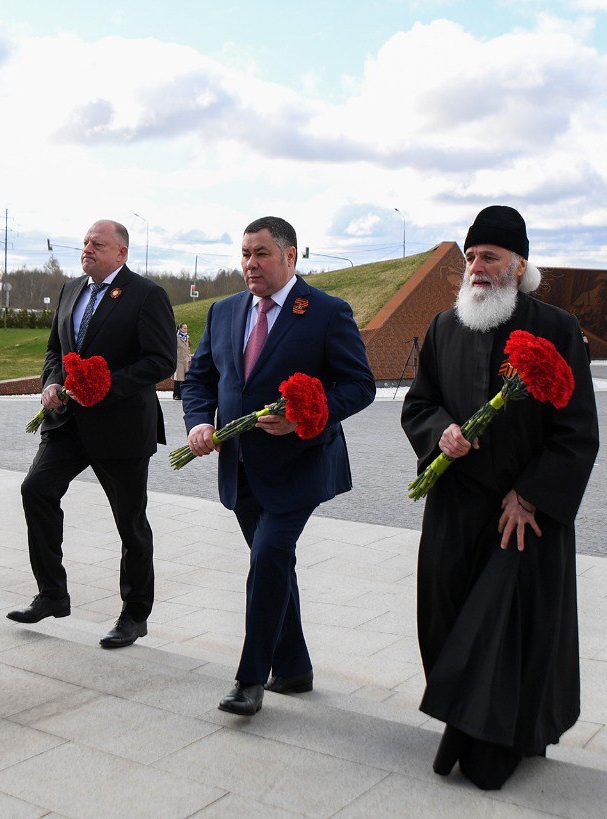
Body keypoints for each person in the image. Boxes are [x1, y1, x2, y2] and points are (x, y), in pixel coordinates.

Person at [401, 205, 598, 790]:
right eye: (470, 258)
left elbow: (577, 431)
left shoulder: (556, 329)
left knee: (504, 629)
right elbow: (418, 404)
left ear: (519, 263)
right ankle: (466, 727)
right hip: (456, 506)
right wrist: (441, 432)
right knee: (446, 619)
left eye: (489, 256)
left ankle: (497, 741)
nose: (476, 267)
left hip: (522, 518)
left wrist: (532, 497)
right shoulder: (444, 326)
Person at [182, 216, 375, 717]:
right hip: (240, 466)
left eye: (262, 253)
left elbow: (359, 385)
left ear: (291, 256)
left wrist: (306, 418)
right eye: (245, 253)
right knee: (275, 565)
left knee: (267, 558)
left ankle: (251, 680)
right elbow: (200, 379)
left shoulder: (327, 312)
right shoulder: (224, 312)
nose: (250, 264)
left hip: (301, 465)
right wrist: (199, 423)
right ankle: (294, 666)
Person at [11, 220, 176, 652]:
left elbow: (161, 362)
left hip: (120, 426)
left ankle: (135, 614)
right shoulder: (70, 290)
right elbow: (54, 350)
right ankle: (52, 593)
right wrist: (50, 382)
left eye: (98, 244)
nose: (88, 249)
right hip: (67, 422)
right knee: (36, 490)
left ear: (121, 253)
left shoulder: (146, 295)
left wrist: (104, 385)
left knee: (130, 524)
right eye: (85, 242)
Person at [172, 323, 191, 400]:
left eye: (186, 328)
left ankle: (184, 394)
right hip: (179, 360)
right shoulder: (176, 338)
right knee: (178, 378)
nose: (186, 330)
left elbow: (188, 348)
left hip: (185, 360)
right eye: (184, 328)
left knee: (185, 378)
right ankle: (176, 394)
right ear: (180, 329)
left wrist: (189, 358)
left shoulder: (187, 337)